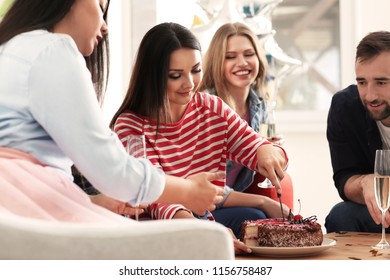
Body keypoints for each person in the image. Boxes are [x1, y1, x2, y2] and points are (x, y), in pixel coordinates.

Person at [0, 0, 225, 223]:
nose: (105, 26)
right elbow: (112, 170)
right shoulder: (51, 50)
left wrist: (92, 202)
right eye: (101, 7)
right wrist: (187, 190)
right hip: (28, 217)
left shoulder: (13, 47)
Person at [110, 22, 289, 252]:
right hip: (158, 227)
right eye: (176, 75)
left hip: (202, 216)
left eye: (195, 70)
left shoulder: (211, 107)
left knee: (257, 218)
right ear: (152, 76)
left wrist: (265, 150)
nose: (190, 83)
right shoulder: (131, 125)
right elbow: (154, 197)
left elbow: (252, 143)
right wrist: (205, 232)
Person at [199, 22, 294, 212]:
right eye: (230, 57)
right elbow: (207, 184)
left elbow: (268, 160)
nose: (242, 62)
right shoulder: (207, 107)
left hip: (236, 192)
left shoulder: (260, 104)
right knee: (257, 215)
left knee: (282, 189)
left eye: (249, 54)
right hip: (207, 202)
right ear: (217, 62)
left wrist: (270, 150)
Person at [325, 31, 390, 233]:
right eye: (362, 82)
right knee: (340, 216)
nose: (370, 95)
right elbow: (344, 178)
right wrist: (364, 182)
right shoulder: (344, 107)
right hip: (383, 214)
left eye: (381, 82)